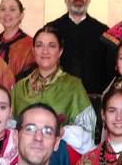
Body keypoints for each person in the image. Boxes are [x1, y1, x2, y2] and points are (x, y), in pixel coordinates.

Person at [12, 25, 96, 156]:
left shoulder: (73, 86)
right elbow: (11, 126)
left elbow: (87, 132)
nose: (45, 51)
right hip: (23, 156)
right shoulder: (19, 87)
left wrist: (63, 132)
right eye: (39, 45)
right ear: (33, 51)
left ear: (60, 51)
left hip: (59, 157)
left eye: (51, 46)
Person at [46, 0, 110, 95]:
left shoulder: (103, 32)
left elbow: (110, 71)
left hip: (93, 101)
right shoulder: (51, 30)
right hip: (58, 98)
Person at [0, 0, 35, 78]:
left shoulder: (31, 45)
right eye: (3, 9)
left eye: (12, 9)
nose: (7, 13)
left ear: (21, 15)